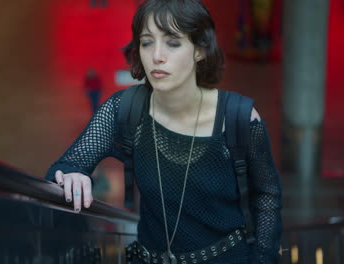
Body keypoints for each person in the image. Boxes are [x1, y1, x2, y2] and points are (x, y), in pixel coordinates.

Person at [45, 0, 282, 263]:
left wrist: (263, 258)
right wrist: (72, 175)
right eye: (147, 42)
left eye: (173, 42)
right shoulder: (124, 109)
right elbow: (65, 166)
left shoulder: (238, 117)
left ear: (199, 51)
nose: (157, 55)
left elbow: (267, 195)